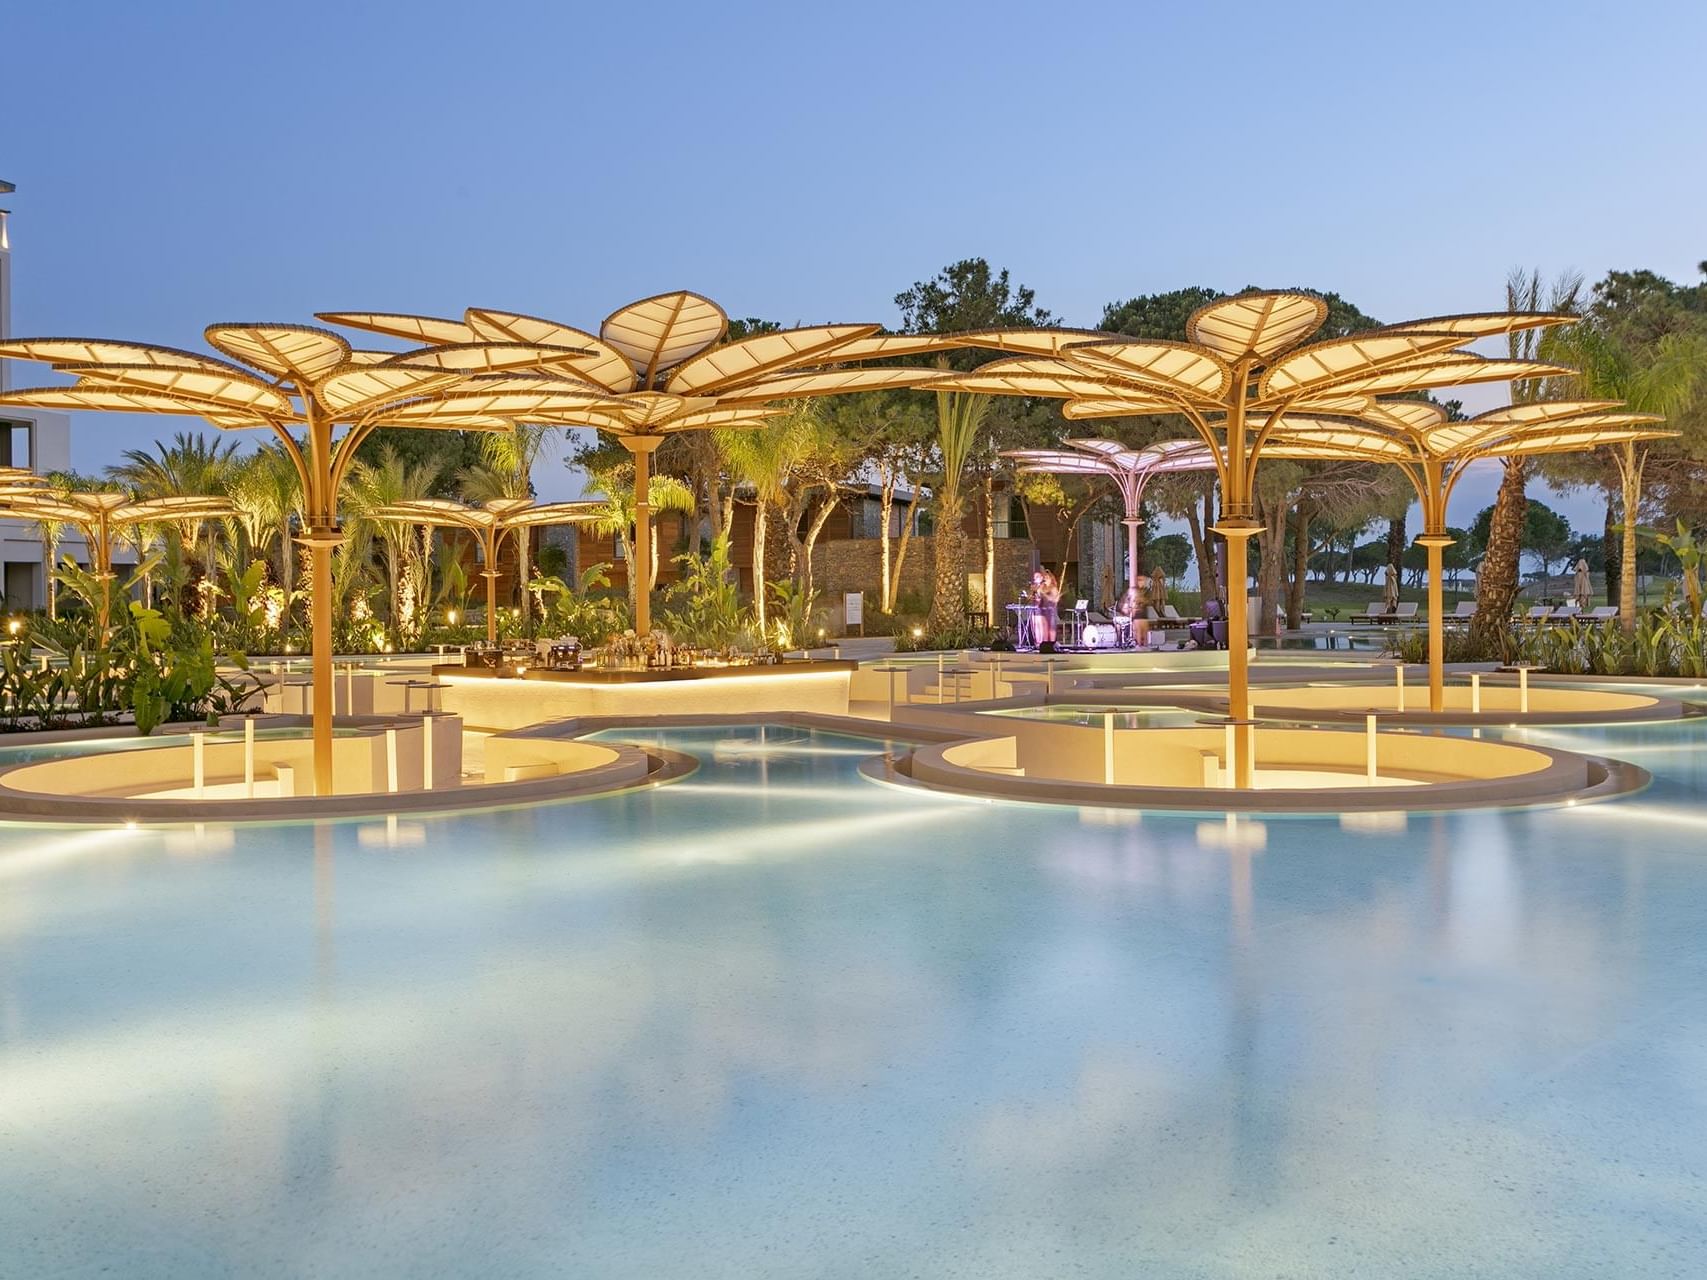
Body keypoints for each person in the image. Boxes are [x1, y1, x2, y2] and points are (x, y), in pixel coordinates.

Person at [1031, 568, 1060, 648]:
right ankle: (1043, 644)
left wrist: (1044, 594)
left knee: (1051, 628)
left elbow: (1054, 599)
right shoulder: (1043, 587)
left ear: (1051, 579)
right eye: (1045, 578)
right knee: (1044, 629)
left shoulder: (1053, 588)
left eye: (1047, 578)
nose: (1045, 579)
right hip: (1044, 611)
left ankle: (1051, 644)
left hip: (1051, 611)